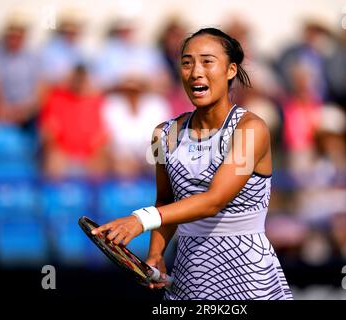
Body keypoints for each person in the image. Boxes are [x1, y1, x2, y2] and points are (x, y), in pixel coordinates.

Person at [92, 27, 293, 300]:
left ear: (231, 70)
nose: (195, 71)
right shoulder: (161, 134)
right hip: (189, 277)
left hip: (249, 277)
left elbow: (215, 201)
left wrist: (141, 219)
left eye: (207, 61)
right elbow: (164, 199)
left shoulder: (251, 129)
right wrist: (155, 254)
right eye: (187, 63)